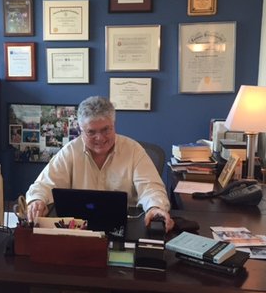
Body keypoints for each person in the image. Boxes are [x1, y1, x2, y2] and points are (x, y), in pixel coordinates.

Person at [26, 96, 174, 231]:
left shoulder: (134, 150)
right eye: (91, 132)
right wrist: (37, 200)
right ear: (81, 130)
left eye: (106, 130)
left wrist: (155, 207)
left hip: (125, 228)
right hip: (80, 230)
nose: (100, 138)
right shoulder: (70, 151)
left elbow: (151, 187)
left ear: (114, 125)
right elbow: (43, 185)